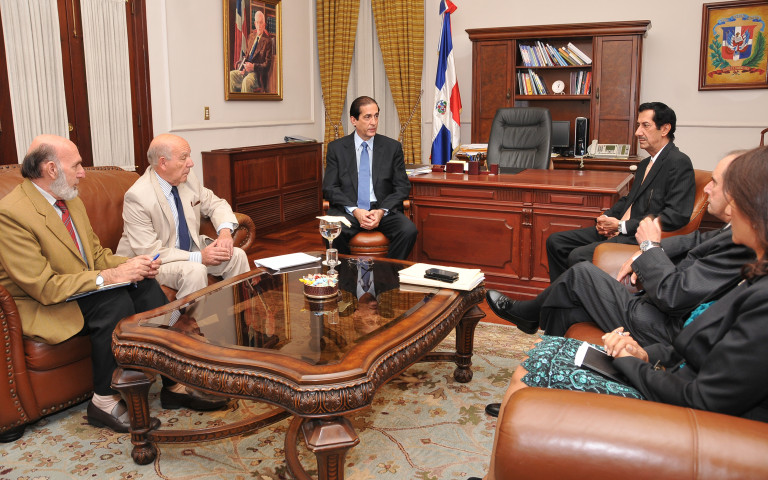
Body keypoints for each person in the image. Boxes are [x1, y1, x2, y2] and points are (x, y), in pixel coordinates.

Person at [470, 146, 768, 480]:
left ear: (755, 207)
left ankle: (529, 326)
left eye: (722, 187)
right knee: (563, 315)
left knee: (577, 282)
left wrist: (631, 361)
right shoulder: (754, 273)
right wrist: (645, 353)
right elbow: (697, 335)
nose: (712, 191)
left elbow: (701, 387)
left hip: (672, 390)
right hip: (662, 357)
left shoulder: (759, 293)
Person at [0, 135, 225, 434]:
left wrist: (133, 264)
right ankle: (103, 402)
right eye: (77, 165)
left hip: (80, 287)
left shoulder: (70, 201)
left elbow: (95, 256)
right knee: (113, 302)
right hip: (44, 303)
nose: (83, 173)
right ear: (51, 169)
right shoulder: (12, 214)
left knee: (145, 285)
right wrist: (111, 276)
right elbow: (45, 287)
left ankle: (174, 384)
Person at [485, 151, 754, 347]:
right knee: (563, 308)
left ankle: (528, 314)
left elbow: (673, 295)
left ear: (737, 193)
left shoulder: (745, 245)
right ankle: (541, 379)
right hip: (653, 306)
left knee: (582, 272)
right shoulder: (732, 232)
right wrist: (646, 249)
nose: (707, 189)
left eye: (715, 182)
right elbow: (694, 241)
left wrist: (649, 246)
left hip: (661, 324)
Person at [545, 102, 695, 281]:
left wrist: (622, 226)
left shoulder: (679, 162)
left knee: (578, 255)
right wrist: (607, 217)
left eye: (645, 125)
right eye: (638, 125)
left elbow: (676, 216)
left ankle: (577, 294)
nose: (637, 132)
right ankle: (563, 294)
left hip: (635, 235)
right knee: (556, 242)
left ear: (665, 129)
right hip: (619, 228)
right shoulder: (645, 164)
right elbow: (629, 200)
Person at [117, 133, 250, 300]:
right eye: (183, 157)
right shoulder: (138, 196)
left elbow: (216, 204)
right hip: (155, 262)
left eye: (189, 155)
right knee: (195, 270)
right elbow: (149, 251)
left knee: (236, 256)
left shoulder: (187, 178)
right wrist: (199, 257)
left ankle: (238, 313)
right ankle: (195, 318)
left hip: (189, 250)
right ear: (163, 163)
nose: (191, 163)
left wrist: (224, 233)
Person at [322, 96, 418, 260]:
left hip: (382, 210)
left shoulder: (392, 147)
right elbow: (330, 188)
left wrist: (381, 211)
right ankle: (346, 274)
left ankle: (386, 271)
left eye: (376, 116)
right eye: (367, 117)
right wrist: (355, 210)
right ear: (354, 120)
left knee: (408, 230)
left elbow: (402, 187)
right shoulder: (337, 148)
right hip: (349, 211)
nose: (373, 122)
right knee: (333, 230)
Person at [228, 10, 273, 93]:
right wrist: (242, 68)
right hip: (246, 70)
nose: (259, 26)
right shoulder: (251, 36)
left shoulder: (268, 41)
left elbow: (267, 65)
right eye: (257, 23)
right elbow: (246, 56)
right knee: (230, 75)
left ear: (264, 24)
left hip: (257, 74)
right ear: (255, 24)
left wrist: (253, 67)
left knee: (247, 81)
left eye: (261, 23)